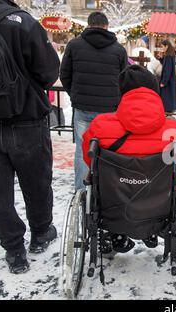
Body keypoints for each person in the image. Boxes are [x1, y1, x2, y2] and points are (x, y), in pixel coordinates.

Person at [81, 65, 176, 252]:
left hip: (113, 207)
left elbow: (90, 161)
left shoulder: (100, 126)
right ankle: (150, 227)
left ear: (122, 93)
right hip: (159, 207)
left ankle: (117, 232)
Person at [0, 0, 60, 274]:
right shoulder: (21, 21)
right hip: (27, 119)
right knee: (37, 182)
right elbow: (48, 72)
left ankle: (13, 248)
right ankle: (41, 232)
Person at [60, 12, 127, 191]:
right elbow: (124, 79)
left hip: (82, 108)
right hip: (109, 110)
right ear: (106, 26)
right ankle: (107, 190)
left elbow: (64, 74)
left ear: (88, 25)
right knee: (109, 148)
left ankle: (81, 192)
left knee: (82, 150)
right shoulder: (119, 50)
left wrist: (75, 94)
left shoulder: (74, 45)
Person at [159, 39, 176, 113]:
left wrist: (163, 82)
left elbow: (168, 70)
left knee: (167, 98)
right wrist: (161, 58)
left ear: (166, 46)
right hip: (170, 81)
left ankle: (168, 111)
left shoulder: (169, 56)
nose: (161, 48)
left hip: (168, 82)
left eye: (162, 46)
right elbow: (166, 65)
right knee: (170, 97)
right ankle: (170, 109)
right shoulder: (169, 55)